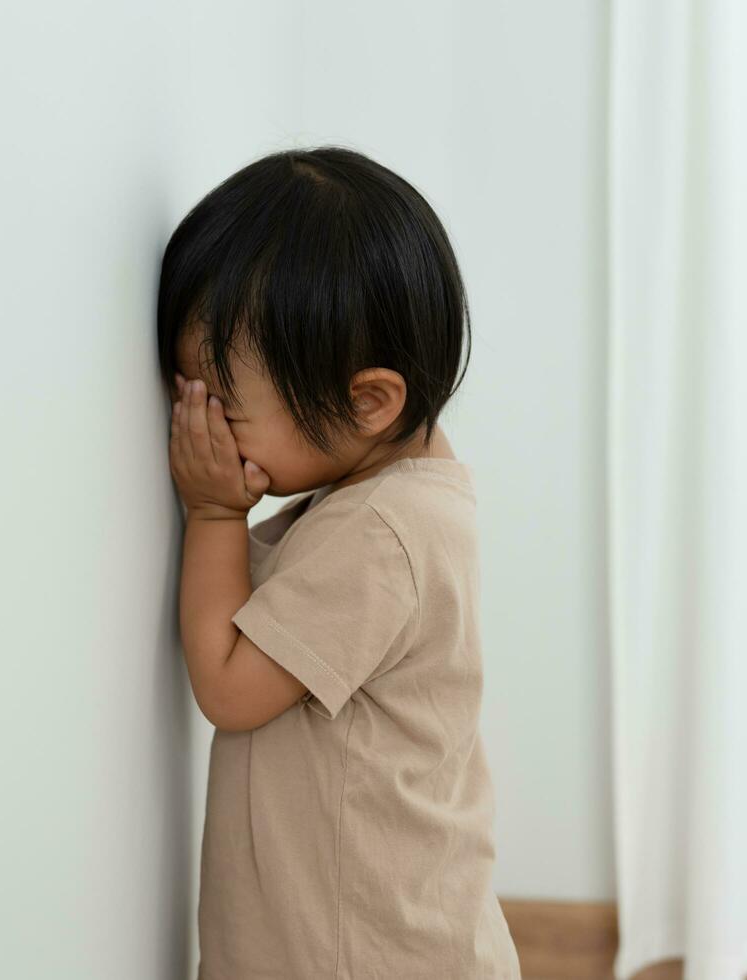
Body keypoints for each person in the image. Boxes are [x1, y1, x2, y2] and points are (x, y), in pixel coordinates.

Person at [159, 145, 522, 978]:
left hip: (371, 952)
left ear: (367, 401)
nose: (201, 427)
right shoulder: (394, 491)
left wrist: (213, 510)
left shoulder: (379, 535)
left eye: (224, 409)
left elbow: (229, 686)